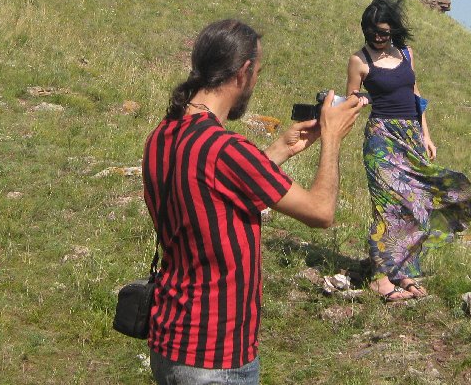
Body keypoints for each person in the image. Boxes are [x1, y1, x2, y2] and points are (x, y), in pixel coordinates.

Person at [143, 19, 366, 384]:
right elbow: (321, 211)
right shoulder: (225, 149)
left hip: (169, 340)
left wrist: (280, 150)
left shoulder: (163, 135)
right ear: (243, 72)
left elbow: (215, 189)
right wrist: (332, 138)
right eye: (257, 73)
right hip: (215, 355)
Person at [345, 0, 471, 303]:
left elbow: (416, 95)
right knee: (387, 208)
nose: (377, 37)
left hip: (412, 137)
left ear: (393, 30)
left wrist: (426, 135)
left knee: (417, 206)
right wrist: (359, 99)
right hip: (382, 139)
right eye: (371, 31)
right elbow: (352, 97)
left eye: (383, 32)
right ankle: (379, 278)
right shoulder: (359, 60)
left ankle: (402, 271)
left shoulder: (405, 53)